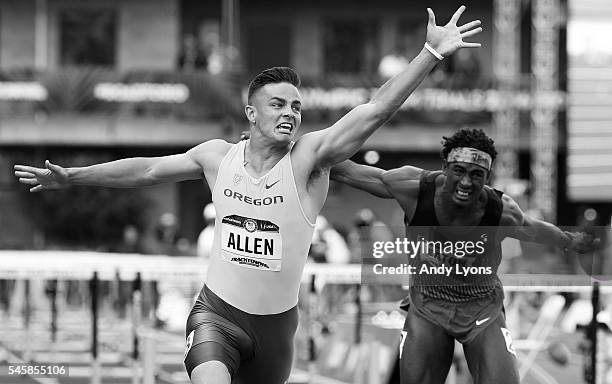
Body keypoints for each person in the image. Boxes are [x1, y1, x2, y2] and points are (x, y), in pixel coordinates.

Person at [14, 7, 482, 384]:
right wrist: (73, 176)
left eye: (297, 106)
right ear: (251, 113)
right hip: (216, 315)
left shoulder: (309, 160)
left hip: (277, 332)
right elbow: (148, 169)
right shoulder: (217, 157)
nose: (290, 113)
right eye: (277, 104)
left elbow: (374, 110)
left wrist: (430, 54)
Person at [330, 128, 600, 384]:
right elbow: (351, 172)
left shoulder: (500, 211)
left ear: (487, 178)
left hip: (481, 307)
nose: (466, 182)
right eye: (458, 171)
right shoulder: (414, 188)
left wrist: (571, 241)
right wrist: (301, 155)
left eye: (477, 175)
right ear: (444, 167)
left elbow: (533, 229)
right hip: (428, 306)